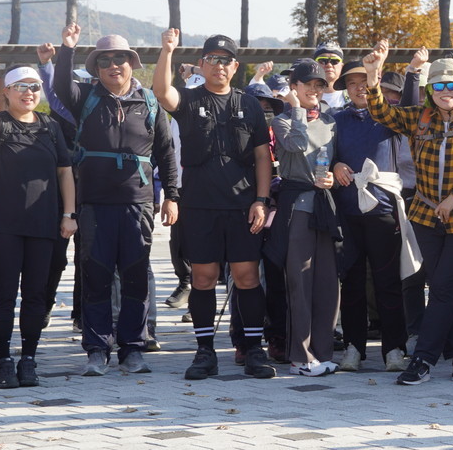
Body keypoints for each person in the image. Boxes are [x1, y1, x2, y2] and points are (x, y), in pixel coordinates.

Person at [363, 42, 453, 386]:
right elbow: (381, 113)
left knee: (442, 286)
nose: (445, 91)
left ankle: (422, 359)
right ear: (429, 90)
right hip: (424, 215)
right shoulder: (418, 118)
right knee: (444, 287)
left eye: (452, 85)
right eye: (438, 85)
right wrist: (373, 73)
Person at [53, 26, 178, 376]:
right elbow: (61, 85)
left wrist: (172, 197)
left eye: (120, 58)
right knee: (95, 276)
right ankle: (96, 348)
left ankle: (133, 348)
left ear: (131, 63)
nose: (113, 65)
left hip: (138, 204)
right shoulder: (86, 99)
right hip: (93, 204)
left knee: (136, 277)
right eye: (105, 60)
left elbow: (166, 154)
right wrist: (67, 49)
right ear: (96, 68)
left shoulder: (150, 103)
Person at [153, 30, 277, 380]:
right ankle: (204, 351)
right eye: (213, 59)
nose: (219, 66)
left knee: (247, 276)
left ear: (235, 67)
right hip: (199, 205)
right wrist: (167, 51)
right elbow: (162, 93)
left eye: (226, 61)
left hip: (241, 205)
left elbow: (262, 157)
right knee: (203, 278)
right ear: (202, 64)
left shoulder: (248, 103)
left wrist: (261, 200)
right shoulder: (191, 99)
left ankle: (254, 349)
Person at [0, 56, 76, 388]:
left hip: (43, 224)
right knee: (3, 294)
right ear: (7, 92)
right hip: (4, 225)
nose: (29, 93)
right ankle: (4, 360)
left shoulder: (50, 126)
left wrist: (69, 214)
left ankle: (28, 359)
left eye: (34, 87)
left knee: (35, 295)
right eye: (21, 88)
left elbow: (65, 172)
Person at [332, 60, 408, 373]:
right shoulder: (335, 120)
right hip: (347, 210)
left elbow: (412, 103)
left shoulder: (388, 118)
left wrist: (414, 70)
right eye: (352, 83)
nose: (359, 87)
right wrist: (334, 164)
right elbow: (324, 154)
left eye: (365, 81)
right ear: (346, 89)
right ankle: (353, 347)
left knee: (387, 282)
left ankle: (394, 348)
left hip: (383, 209)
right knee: (350, 282)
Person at [268, 60, 341, 377]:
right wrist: (296, 108)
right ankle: (301, 355)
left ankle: (323, 352)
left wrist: (334, 176)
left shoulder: (331, 122)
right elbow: (296, 144)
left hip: (325, 207)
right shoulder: (281, 121)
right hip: (296, 208)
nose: (314, 89)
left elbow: (335, 160)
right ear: (294, 86)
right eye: (308, 83)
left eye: (320, 85)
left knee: (328, 283)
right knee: (300, 283)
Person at [314, 44, 347, 111]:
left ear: (342, 66)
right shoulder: (305, 95)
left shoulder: (353, 95)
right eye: (322, 60)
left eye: (335, 61)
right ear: (315, 65)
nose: (329, 65)